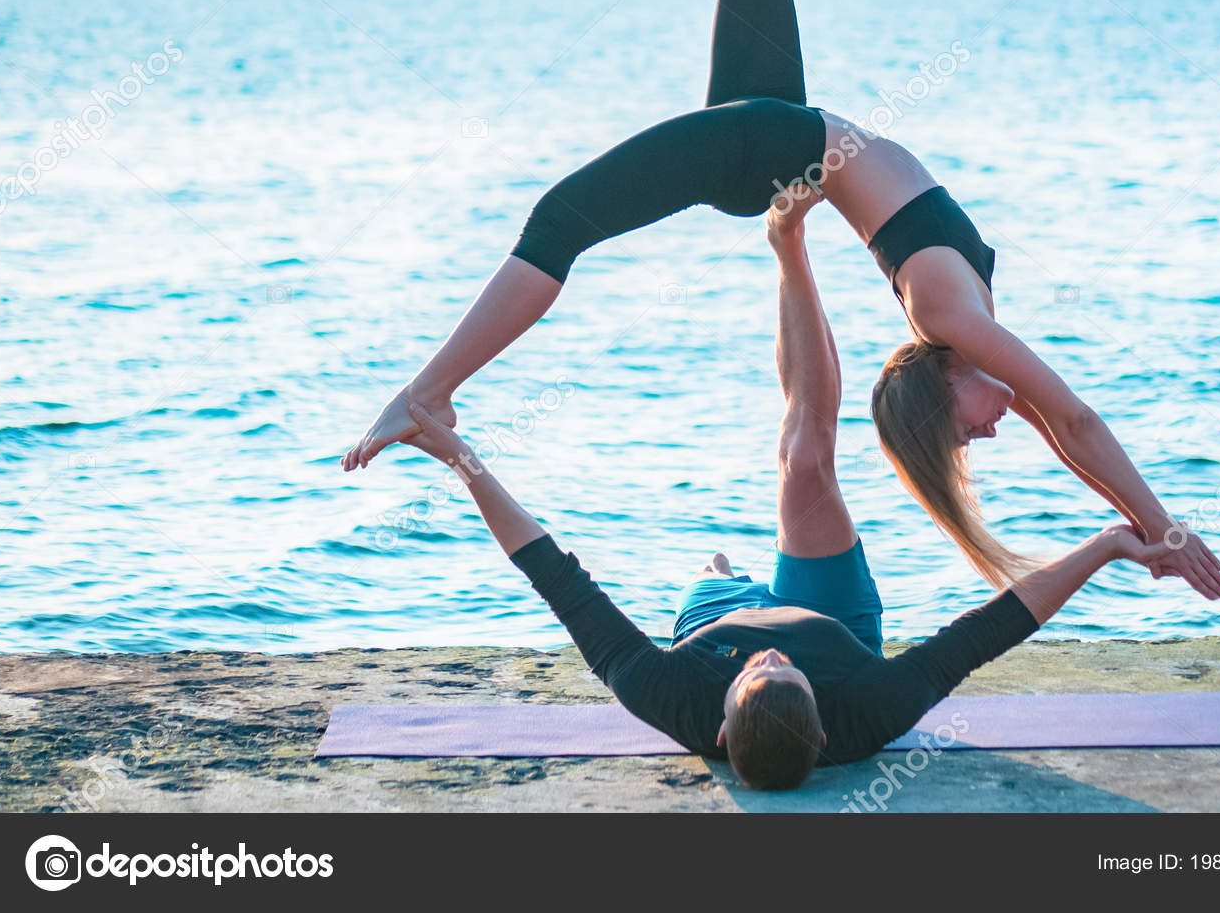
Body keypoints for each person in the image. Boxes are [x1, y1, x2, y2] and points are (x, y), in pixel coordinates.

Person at [344, 0, 1220, 602]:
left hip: (772, 147)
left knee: (563, 218)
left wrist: (1153, 526)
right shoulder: (952, 311)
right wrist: (1157, 525)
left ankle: (430, 392)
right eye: (981, 431)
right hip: (780, 136)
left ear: (942, 384)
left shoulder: (944, 312)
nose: (991, 427)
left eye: (967, 434)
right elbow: (1075, 421)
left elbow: (1071, 422)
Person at [397, 205, 1171, 791]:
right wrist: (1105, 545)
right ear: (822, 710)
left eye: (759, 670)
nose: (773, 655)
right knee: (807, 460)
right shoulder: (869, 709)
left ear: (725, 723)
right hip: (832, 618)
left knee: (765, 503)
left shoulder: (668, 694)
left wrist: (462, 459)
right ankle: (790, 240)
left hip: (711, 613)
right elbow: (991, 627)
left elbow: (555, 575)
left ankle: (786, 241)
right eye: (787, 669)